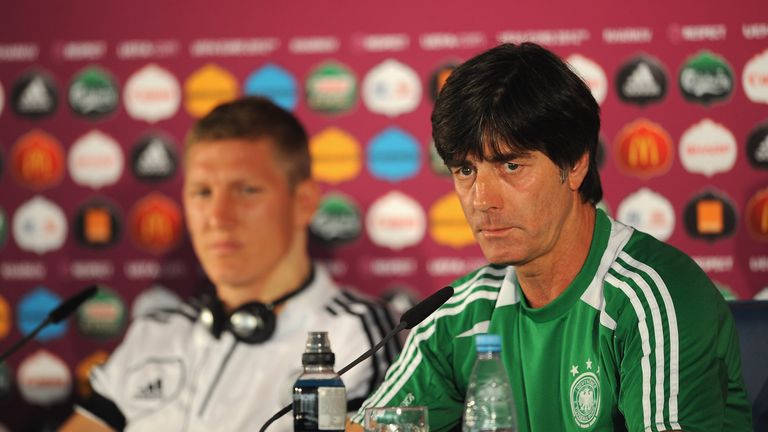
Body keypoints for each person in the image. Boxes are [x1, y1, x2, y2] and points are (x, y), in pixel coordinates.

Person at [349, 43, 752, 431]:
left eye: (510, 165)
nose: (482, 200)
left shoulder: (652, 294)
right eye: (465, 171)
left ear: (575, 164)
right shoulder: (459, 318)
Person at [60, 96, 399, 431]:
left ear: (304, 202)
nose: (218, 217)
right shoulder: (154, 334)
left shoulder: (359, 333)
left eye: (246, 190)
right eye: (202, 192)